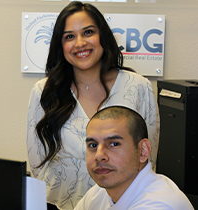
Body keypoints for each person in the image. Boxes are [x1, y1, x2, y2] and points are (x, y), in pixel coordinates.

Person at [26, 1, 160, 210]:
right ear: (61, 46)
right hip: (58, 204)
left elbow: (146, 158)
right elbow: (37, 162)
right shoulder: (44, 92)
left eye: (88, 32)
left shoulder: (138, 87)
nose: (80, 43)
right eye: (69, 36)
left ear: (102, 36)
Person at [74, 106, 194, 210]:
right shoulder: (100, 192)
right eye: (93, 145)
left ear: (143, 151)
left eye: (114, 144)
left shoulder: (158, 204)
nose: (99, 156)